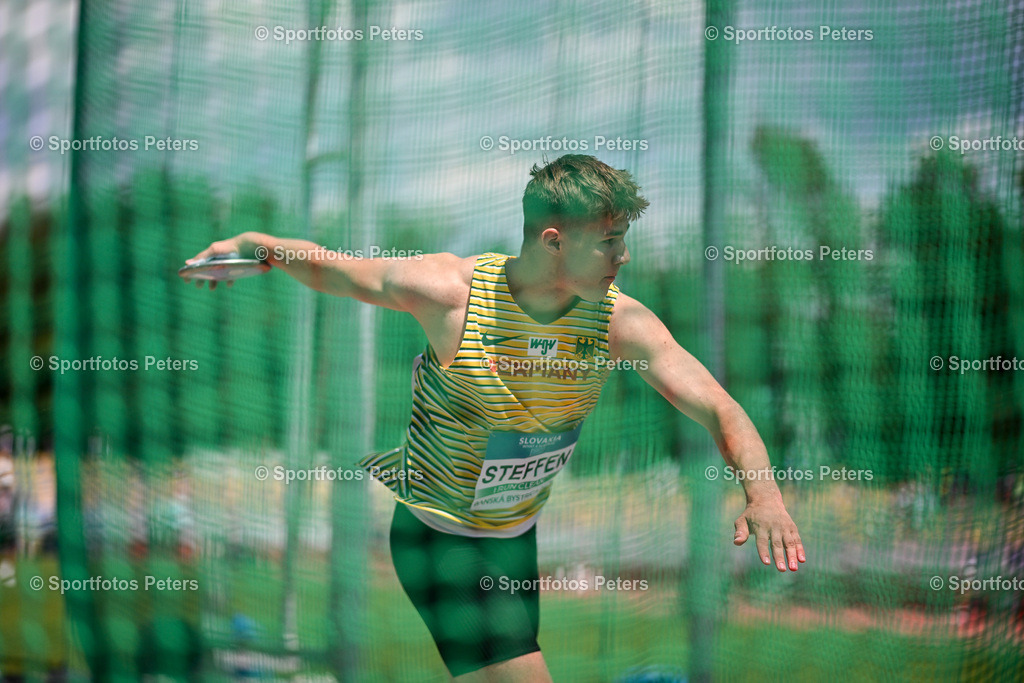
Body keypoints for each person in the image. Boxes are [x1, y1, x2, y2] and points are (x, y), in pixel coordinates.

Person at [186, 155, 806, 682]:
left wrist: (765, 494)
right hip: (438, 538)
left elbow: (718, 406)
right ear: (553, 240)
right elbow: (333, 267)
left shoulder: (620, 321)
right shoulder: (449, 293)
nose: (624, 256)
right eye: (608, 242)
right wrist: (250, 246)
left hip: (515, 541)